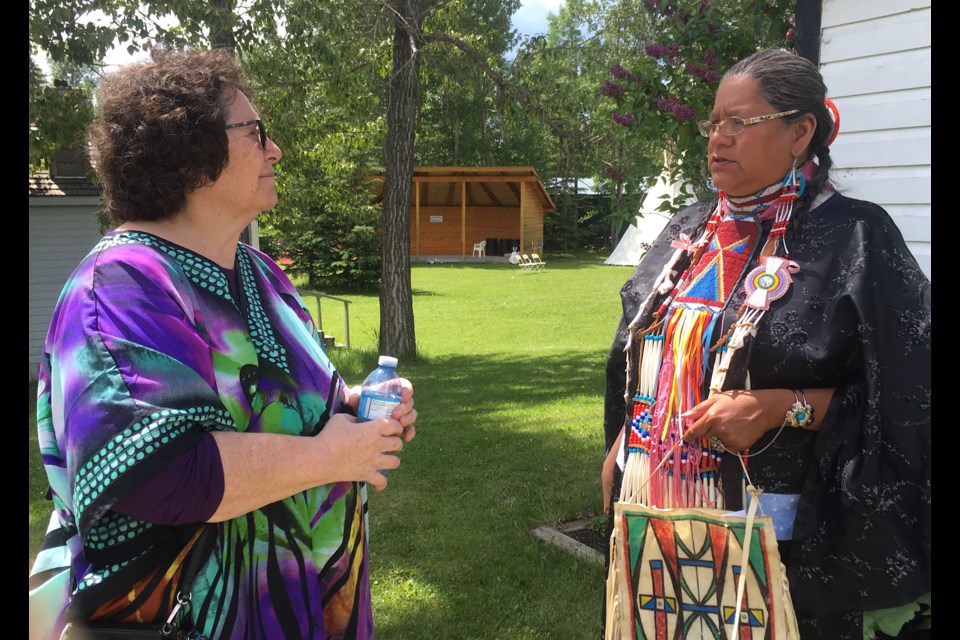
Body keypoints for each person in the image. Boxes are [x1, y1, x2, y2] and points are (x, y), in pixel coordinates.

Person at [31, 47, 417, 639]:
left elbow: (285, 406)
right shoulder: (117, 289)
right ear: (188, 153)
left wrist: (360, 408)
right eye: (255, 132)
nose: (274, 150)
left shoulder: (261, 275)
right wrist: (330, 457)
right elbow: (161, 474)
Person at [601, 48, 930, 639]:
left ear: (800, 131)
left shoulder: (854, 236)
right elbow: (645, 358)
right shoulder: (687, 230)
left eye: (739, 123)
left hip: (780, 534)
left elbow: (911, 392)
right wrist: (624, 443)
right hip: (657, 514)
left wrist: (782, 407)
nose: (718, 139)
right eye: (713, 123)